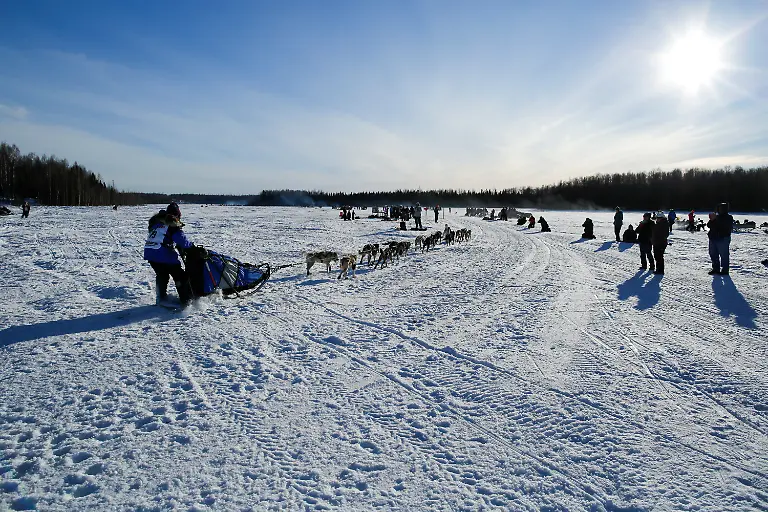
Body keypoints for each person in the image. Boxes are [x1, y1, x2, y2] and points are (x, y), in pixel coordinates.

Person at [143, 202, 195, 307]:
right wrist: (191, 247)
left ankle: (161, 298)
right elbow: (181, 241)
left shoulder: (157, 222)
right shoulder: (172, 224)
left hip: (150, 252)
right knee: (180, 276)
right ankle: (187, 302)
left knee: (162, 275)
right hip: (162, 253)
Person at [707, 203, 734, 275]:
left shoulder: (729, 217)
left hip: (723, 238)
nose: (720, 210)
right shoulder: (716, 217)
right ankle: (716, 268)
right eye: (719, 208)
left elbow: (723, 226)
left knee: (724, 255)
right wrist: (712, 220)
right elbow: (709, 225)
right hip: (713, 238)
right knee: (713, 254)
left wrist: (714, 220)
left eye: (721, 208)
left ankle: (725, 270)